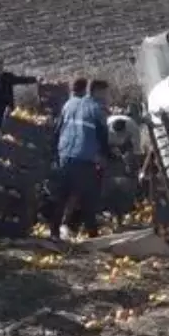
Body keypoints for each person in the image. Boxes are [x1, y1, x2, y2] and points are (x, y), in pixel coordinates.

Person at [49, 79, 114, 240]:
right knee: (89, 198)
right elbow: (103, 138)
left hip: (65, 156)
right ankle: (93, 236)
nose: (107, 96)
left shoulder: (69, 104)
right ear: (97, 92)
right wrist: (107, 157)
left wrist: (55, 154)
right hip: (84, 158)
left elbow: (57, 131)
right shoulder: (96, 109)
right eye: (105, 93)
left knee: (62, 196)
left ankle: (54, 233)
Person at [0, 57, 38, 130]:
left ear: (3, 67)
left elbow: (21, 79)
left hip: (7, 106)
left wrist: (35, 79)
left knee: (9, 127)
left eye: (0, 65)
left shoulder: (8, 76)